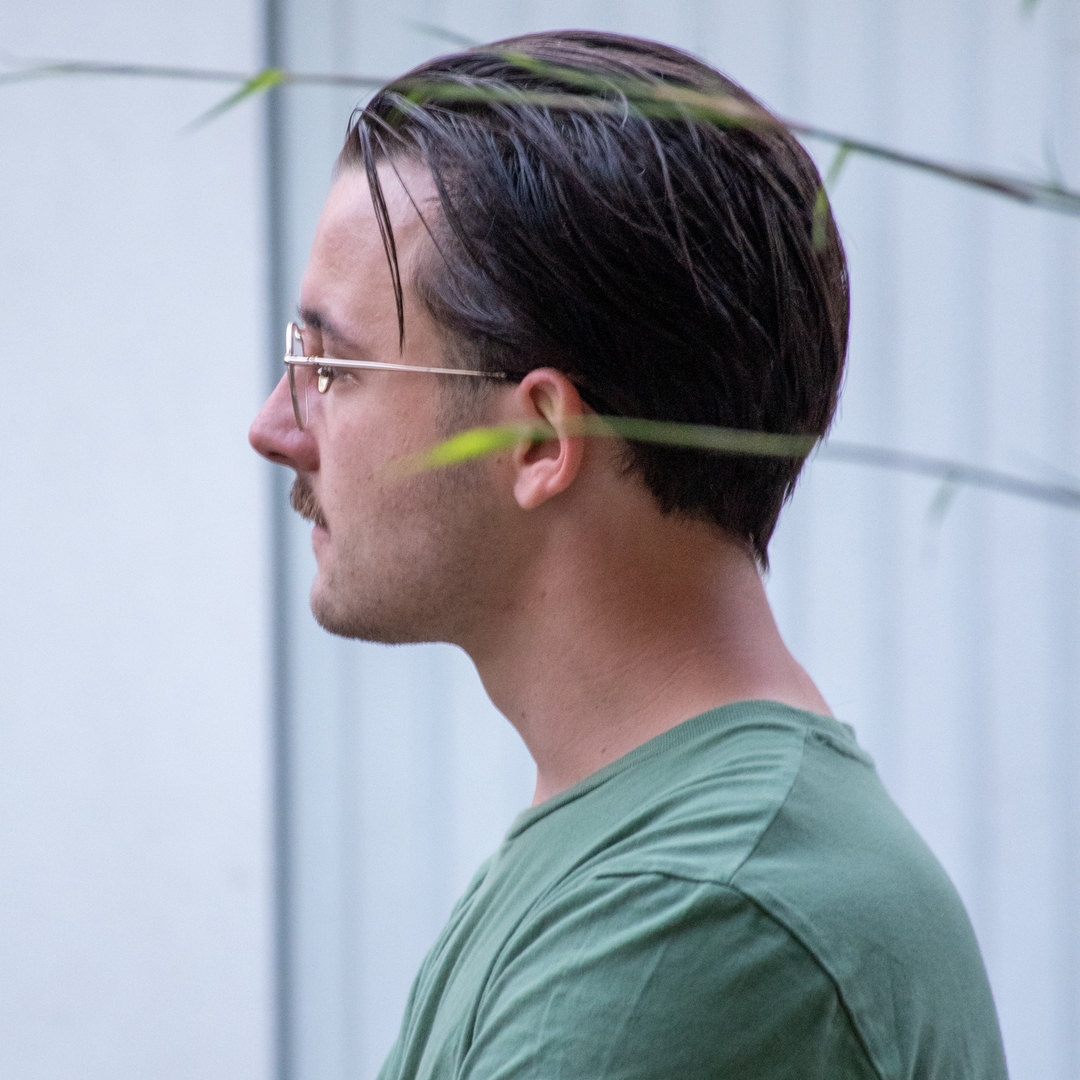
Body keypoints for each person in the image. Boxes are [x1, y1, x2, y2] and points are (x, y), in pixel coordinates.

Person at [250, 30, 1008, 1080]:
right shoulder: (642, 847)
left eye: (331, 366)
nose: (274, 426)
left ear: (538, 441)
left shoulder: (694, 915)